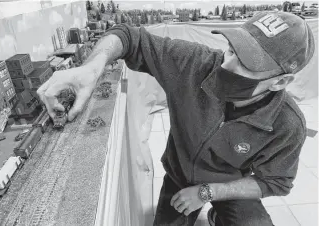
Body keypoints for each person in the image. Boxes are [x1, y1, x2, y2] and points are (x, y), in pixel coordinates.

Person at [37, 12, 315, 226]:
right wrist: (91, 68)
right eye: (232, 50)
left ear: (280, 82)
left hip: (228, 185)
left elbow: (275, 182)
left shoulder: (287, 124)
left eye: (247, 64)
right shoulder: (195, 64)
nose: (226, 66)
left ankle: (219, 215)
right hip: (179, 176)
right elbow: (129, 37)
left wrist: (208, 193)